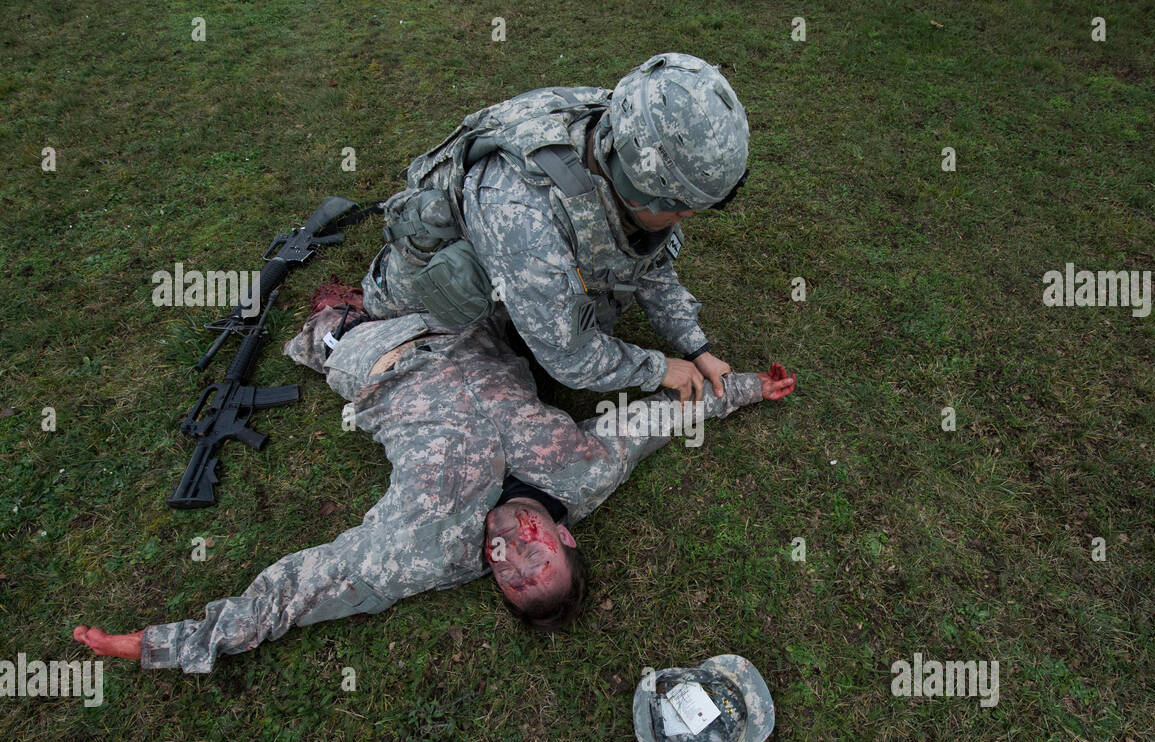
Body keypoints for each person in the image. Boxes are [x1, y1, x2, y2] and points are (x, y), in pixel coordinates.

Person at [72, 294, 795, 674]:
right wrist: (748, 388)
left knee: (325, 321)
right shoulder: (586, 469)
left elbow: (300, 590)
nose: (511, 557)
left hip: (373, 352)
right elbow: (663, 419)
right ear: (567, 536)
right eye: (538, 561)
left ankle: (329, 324)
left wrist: (161, 643)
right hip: (463, 316)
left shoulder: (422, 549)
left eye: (510, 579)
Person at [354, 52, 750, 404]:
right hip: (425, 300)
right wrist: (659, 368)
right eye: (682, 211)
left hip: (511, 261)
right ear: (638, 194)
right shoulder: (526, 216)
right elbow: (572, 359)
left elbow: (648, 260)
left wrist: (696, 346)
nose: (688, 218)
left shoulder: (624, 129)